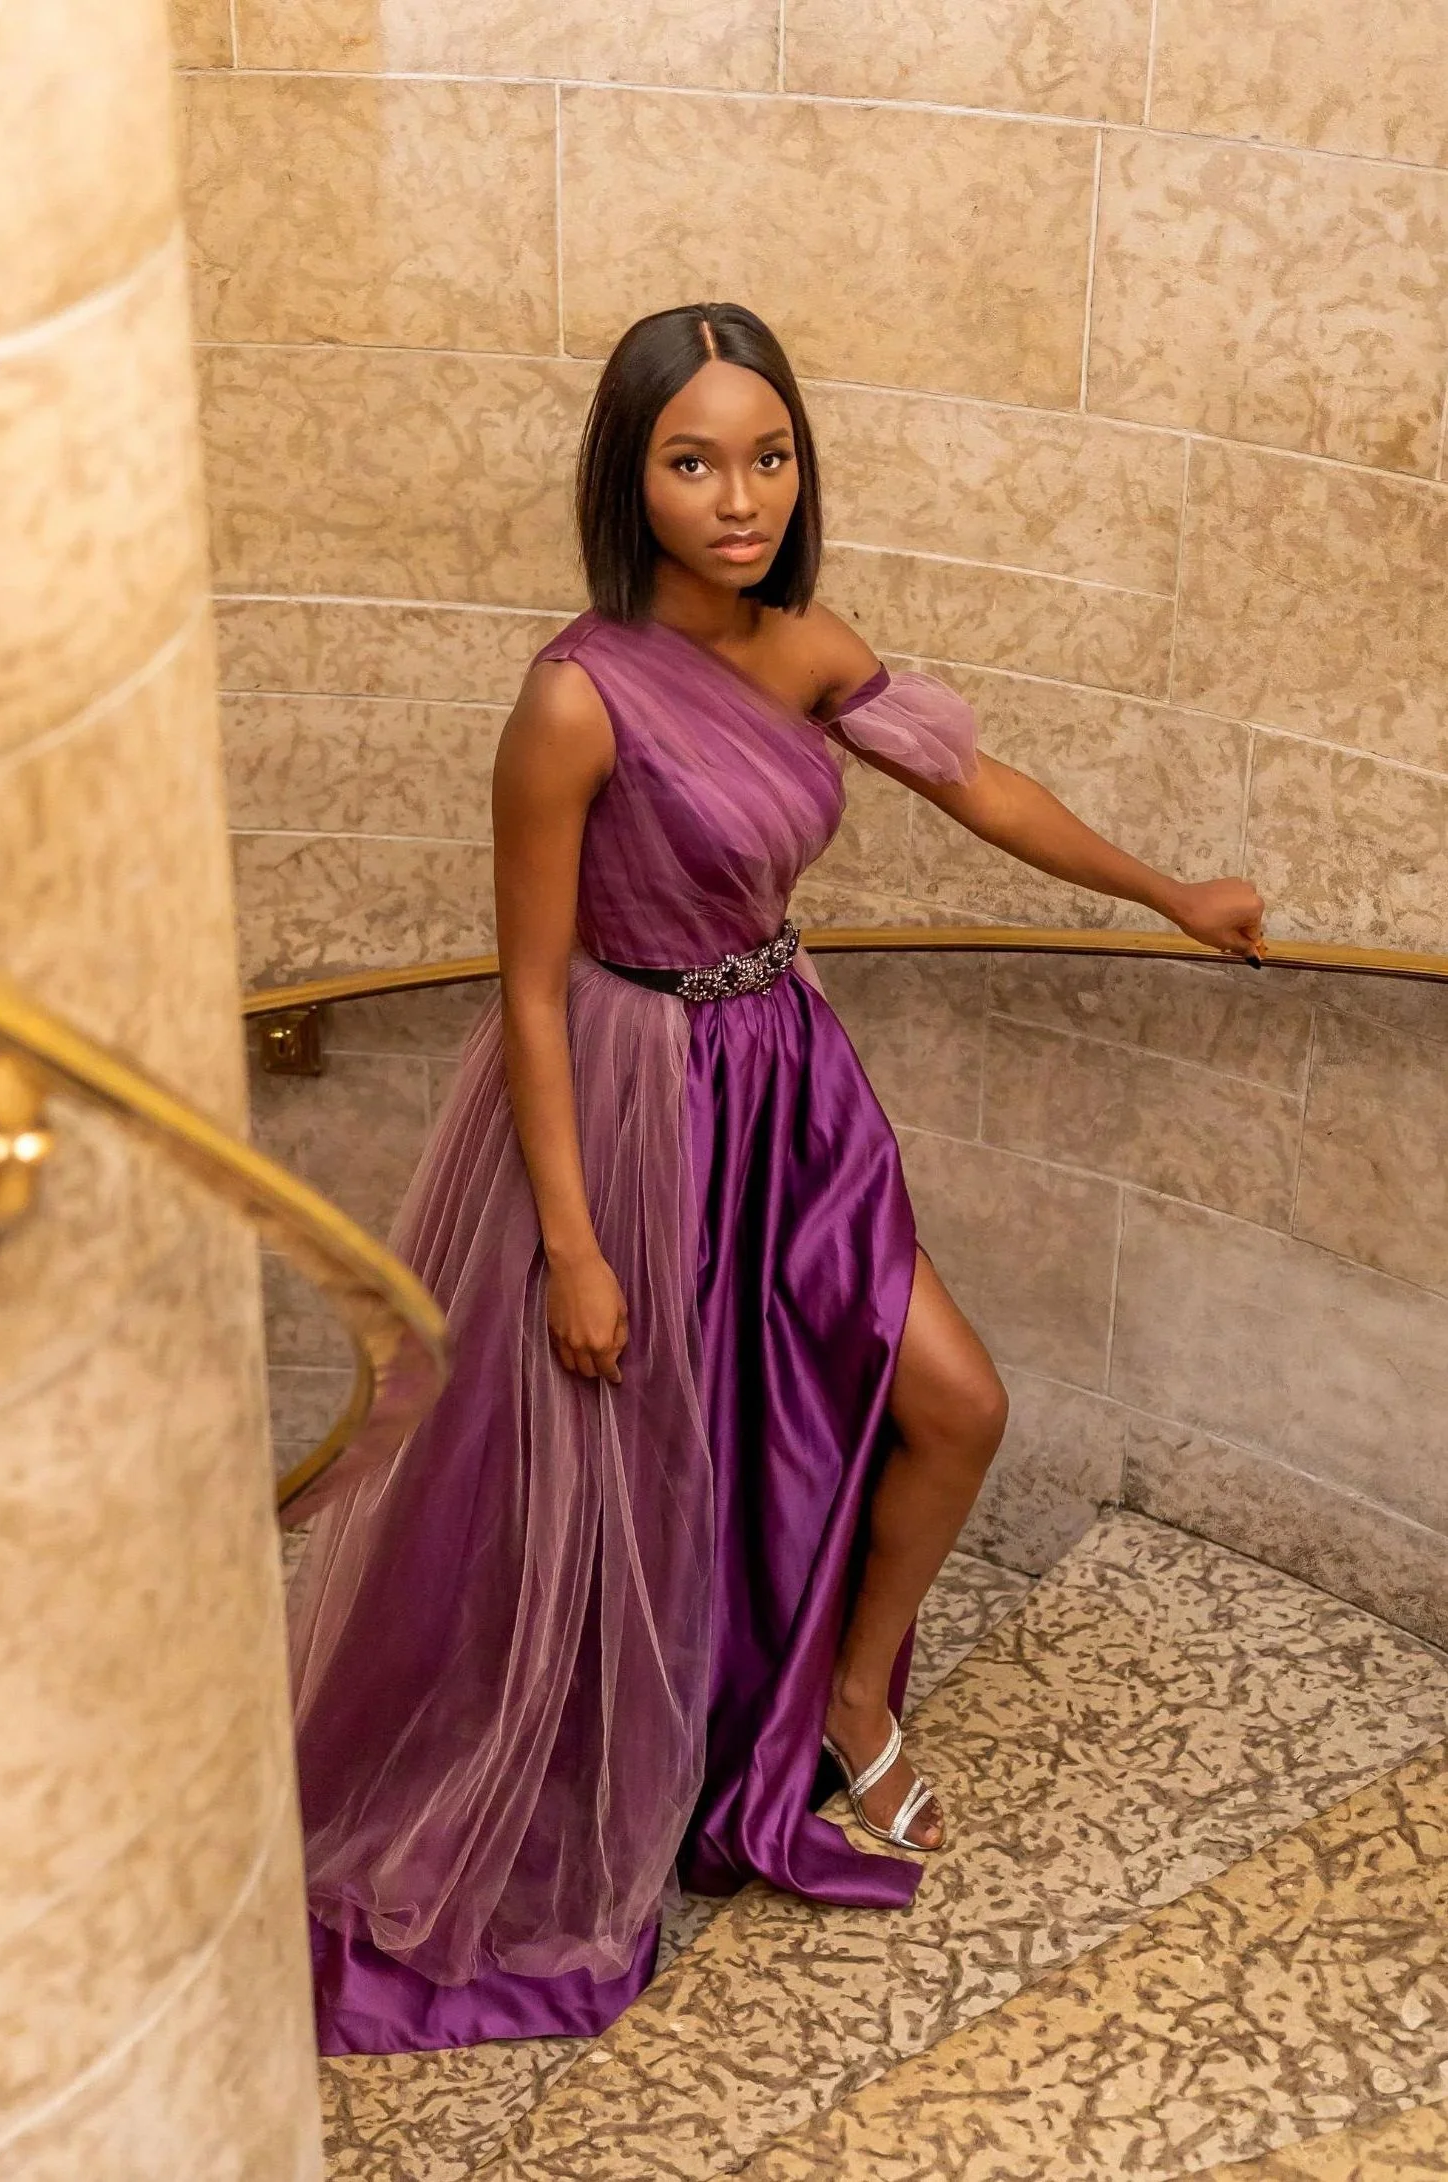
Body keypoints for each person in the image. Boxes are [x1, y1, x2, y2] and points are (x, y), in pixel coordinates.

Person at [287, 302, 1266, 2056]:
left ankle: (847, 1689)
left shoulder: (811, 645)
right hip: (632, 1093)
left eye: (766, 455)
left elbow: (983, 785)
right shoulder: (574, 700)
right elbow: (522, 989)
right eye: (690, 460)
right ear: (630, 474)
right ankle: (621, 1739)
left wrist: (1168, 890)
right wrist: (574, 1248)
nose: (735, 496)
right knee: (636, 1460)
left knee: (952, 1401)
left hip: (786, 1080)